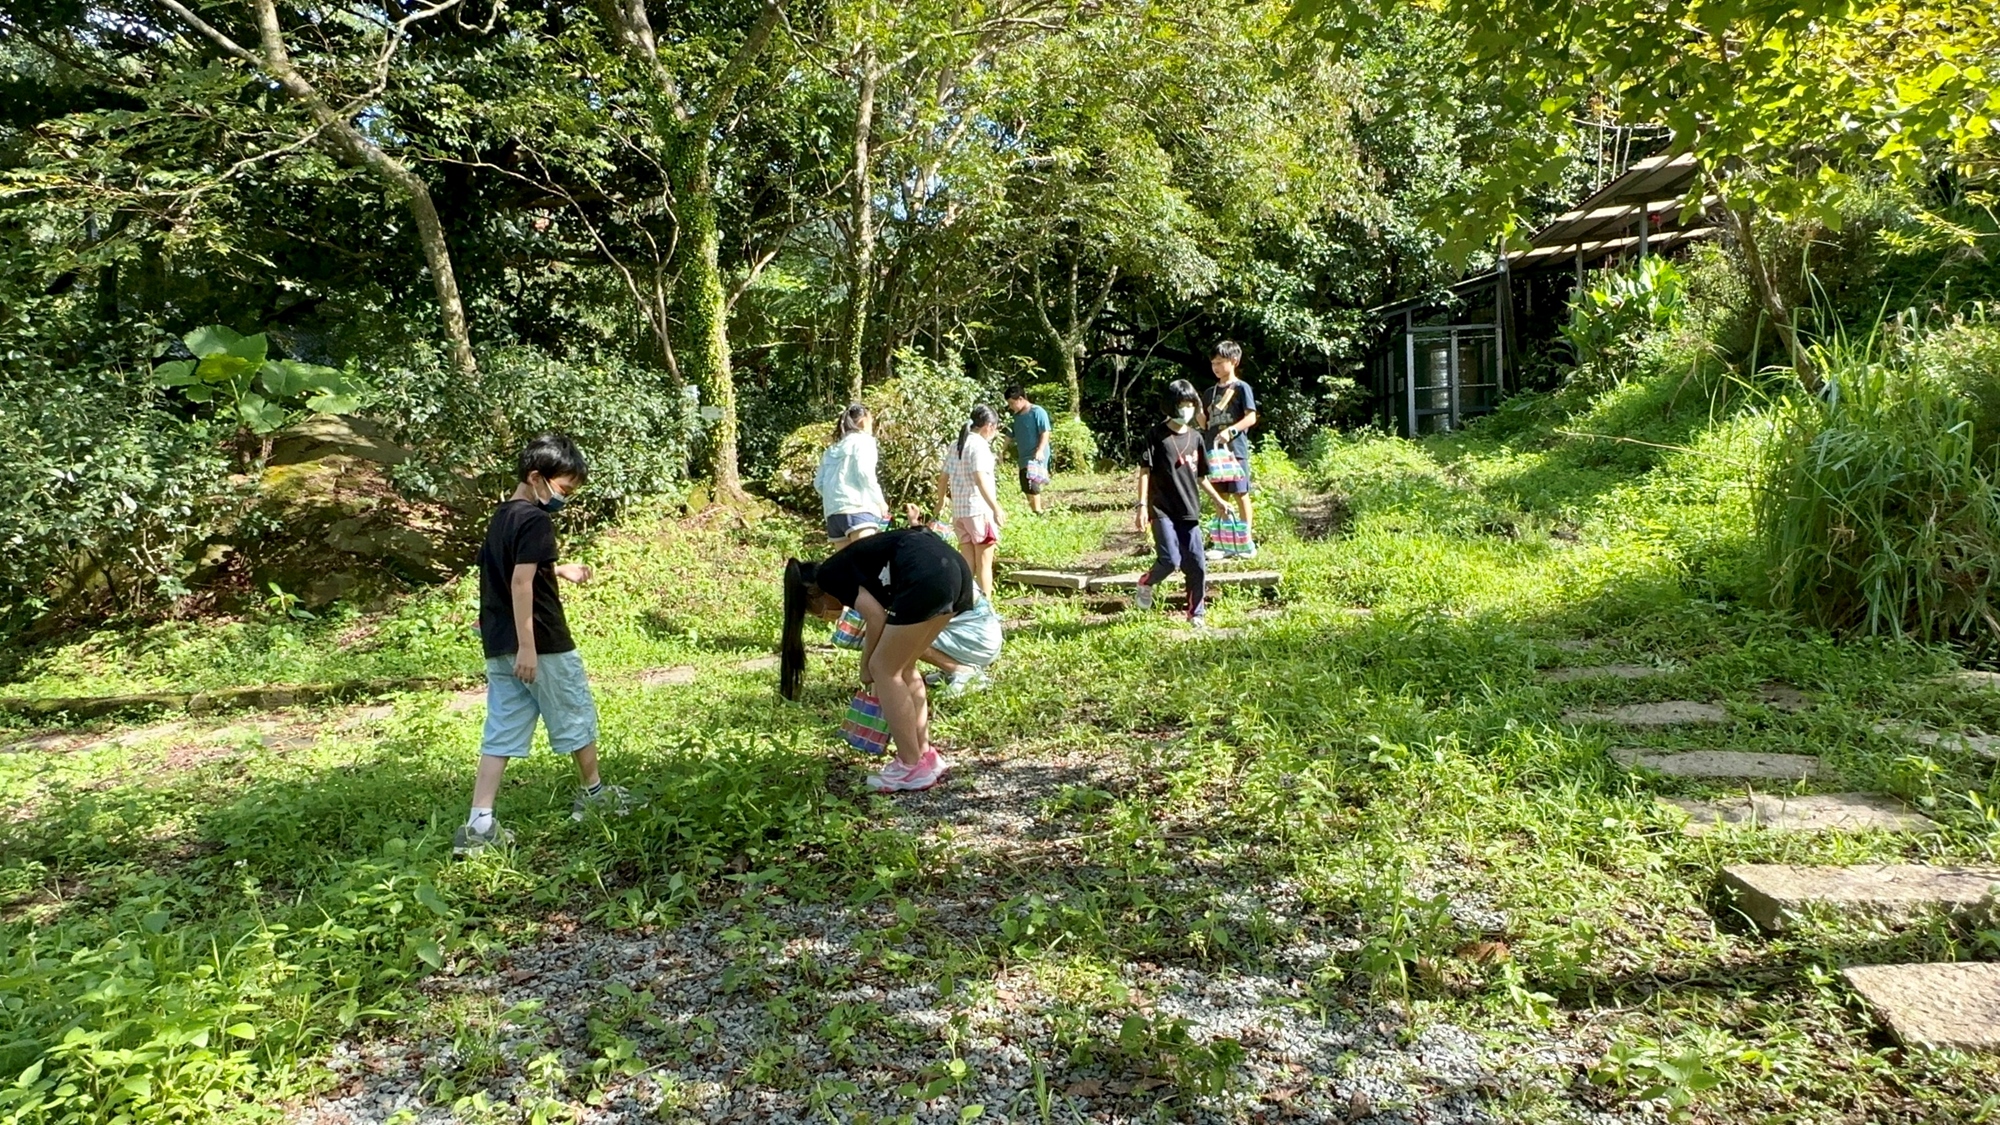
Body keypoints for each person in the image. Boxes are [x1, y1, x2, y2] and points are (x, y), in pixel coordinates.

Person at [456, 433, 629, 858]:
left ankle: (479, 823)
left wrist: (559, 569)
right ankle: (595, 795)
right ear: (536, 477)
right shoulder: (535, 520)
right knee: (574, 713)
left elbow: (502, 572)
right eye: (563, 488)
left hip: (499, 644)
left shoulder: (502, 516)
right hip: (542, 644)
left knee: (501, 730)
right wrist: (529, 647)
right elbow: (520, 583)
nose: (564, 498)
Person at [781, 528, 977, 792]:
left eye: (816, 613)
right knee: (904, 668)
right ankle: (925, 755)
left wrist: (867, 667)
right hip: (954, 571)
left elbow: (875, 618)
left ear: (812, 596)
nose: (825, 616)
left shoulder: (829, 576)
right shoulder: (851, 567)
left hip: (926, 573)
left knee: (884, 669)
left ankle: (910, 765)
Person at [1135, 380, 1233, 625]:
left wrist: (1219, 501)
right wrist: (1141, 506)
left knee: (1197, 564)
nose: (1187, 409)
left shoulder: (1196, 438)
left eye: (1191, 404)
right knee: (1170, 561)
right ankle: (1146, 582)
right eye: (1182, 404)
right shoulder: (1155, 435)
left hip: (1189, 510)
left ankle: (1196, 614)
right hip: (1161, 509)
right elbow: (1145, 472)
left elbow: (1201, 477)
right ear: (1171, 405)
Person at [939, 404, 1005, 596]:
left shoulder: (956, 444)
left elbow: (942, 478)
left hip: (959, 513)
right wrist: (996, 507)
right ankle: (986, 608)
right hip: (979, 511)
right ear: (989, 426)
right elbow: (980, 478)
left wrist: (940, 501)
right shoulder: (980, 446)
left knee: (967, 566)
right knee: (984, 565)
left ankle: (966, 605)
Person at [1203, 339, 1260, 560]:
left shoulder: (1242, 388)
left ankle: (1245, 542)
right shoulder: (1209, 393)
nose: (1215, 367)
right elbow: (1205, 423)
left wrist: (1232, 431)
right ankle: (1223, 544)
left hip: (1235, 451)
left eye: (1220, 362)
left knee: (1240, 493)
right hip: (1214, 453)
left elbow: (1251, 417)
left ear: (1234, 361)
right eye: (1213, 363)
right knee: (1220, 496)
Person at [814, 403, 890, 549]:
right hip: (859, 510)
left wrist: (835, 498)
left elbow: (819, 484)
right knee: (867, 562)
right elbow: (864, 473)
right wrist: (880, 502)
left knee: (845, 564)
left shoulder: (832, 449)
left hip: (834, 515)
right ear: (863, 421)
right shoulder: (864, 441)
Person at [921, 594, 1002, 695]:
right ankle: (949, 671)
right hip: (987, 636)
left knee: (906, 639)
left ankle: (964, 672)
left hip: (976, 644)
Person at [1004, 385, 1052, 514]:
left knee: (1032, 482)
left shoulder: (1037, 412)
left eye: (1012, 403)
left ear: (1020, 399)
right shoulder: (1015, 417)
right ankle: (1034, 511)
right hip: (1023, 456)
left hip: (1036, 454)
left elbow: (1045, 432)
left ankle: (1038, 512)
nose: (1011, 407)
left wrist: (1040, 450)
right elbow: (1008, 435)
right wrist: (1000, 451)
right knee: (1025, 484)